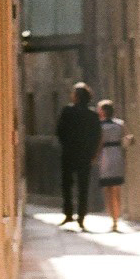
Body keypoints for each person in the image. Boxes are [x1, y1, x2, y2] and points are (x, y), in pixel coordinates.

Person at [54, 81, 102, 228]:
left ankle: (68, 214)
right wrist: (93, 153)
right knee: (83, 186)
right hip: (85, 155)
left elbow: (60, 131)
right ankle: (81, 215)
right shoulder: (93, 114)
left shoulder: (67, 111)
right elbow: (97, 135)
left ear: (76, 96)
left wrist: (66, 145)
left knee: (66, 184)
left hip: (69, 153)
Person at [96, 99, 127, 231]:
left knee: (108, 189)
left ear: (102, 112)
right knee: (116, 188)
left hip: (105, 155)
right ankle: (116, 218)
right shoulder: (120, 124)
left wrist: (95, 156)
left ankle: (113, 218)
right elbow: (125, 139)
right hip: (117, 154)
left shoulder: (98, 126)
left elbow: (98, 143)